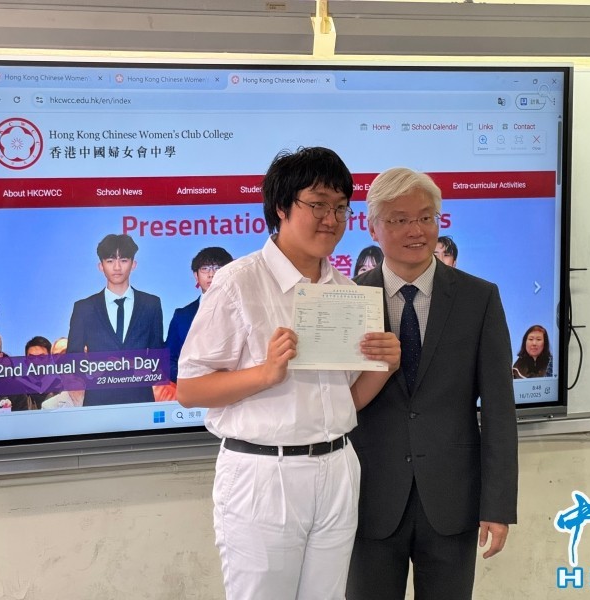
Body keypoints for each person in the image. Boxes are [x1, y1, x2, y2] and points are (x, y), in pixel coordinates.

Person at [176, 147, 400, 600]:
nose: (331, 219)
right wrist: (265, 373)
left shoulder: (346, 290)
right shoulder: (238, 282)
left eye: (340, 208)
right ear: (281, 206)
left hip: (337, 466)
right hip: (263, 472)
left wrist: (384, 367)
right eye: (317, 205)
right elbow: (190, 389)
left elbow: (344, 401)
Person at [347, 167, 518, 600]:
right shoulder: (348, 298)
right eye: (399, 219)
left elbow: (499, 410)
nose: (416, 230)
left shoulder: (479, 298)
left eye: (426, 217)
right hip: (367, 499)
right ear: (372, 227)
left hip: (452, 500)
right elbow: (332, 405)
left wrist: (497, 506)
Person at [66, 233, 164, 406]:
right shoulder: (84, 308)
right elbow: (73, 357)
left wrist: (145, 368)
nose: (117, 267)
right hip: (98, 400)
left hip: (140, 399)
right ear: (101, 266)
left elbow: (158, 354)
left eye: (123, 260)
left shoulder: (151, 304)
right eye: (110, 261)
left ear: (133, 264)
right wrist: (93, 370)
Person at [165, 246, 233, 383]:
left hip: (234, 388)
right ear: (196, 276)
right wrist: (191, 382)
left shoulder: (241, 310)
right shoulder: (182, 316)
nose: (211, 274)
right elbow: (168, 360)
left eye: (217, 268)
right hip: (192, 390)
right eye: (205, 269)